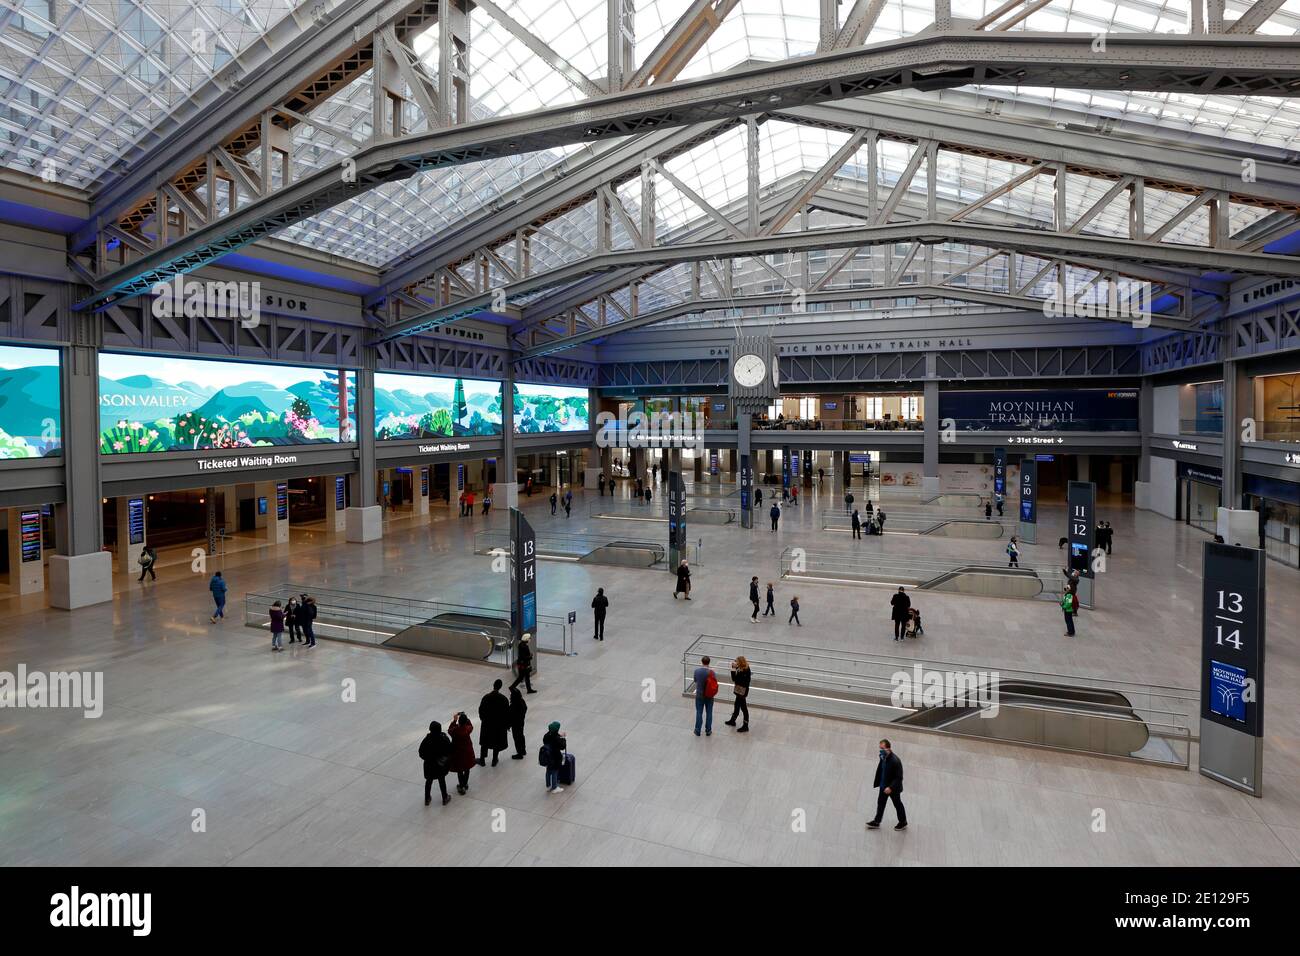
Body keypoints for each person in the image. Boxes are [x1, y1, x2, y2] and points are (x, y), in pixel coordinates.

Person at [865, 739, 907, 831]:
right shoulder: (883, 757)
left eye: (882, 748)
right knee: (880, 803)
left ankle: (903, 822)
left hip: (893, 789)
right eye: (880, 748)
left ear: (888, 749)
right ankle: (877, 822)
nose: (881, 750)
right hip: (883, 786)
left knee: (897, 804)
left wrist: (890, 787)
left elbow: (899, 777)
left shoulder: (895, 761)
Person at [477, 680, 510, 767]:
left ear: (493, 685)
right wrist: (506, 724)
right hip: (499, 725)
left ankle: (482, 759)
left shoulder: (486, 697)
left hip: (487, 724)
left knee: (484, 742)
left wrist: (483, 719)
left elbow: (481, 710)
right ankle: (494, 760)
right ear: (500, 687)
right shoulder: (503, 699)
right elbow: (507, 713)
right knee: (497, 742)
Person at [419, 720, 452, 806]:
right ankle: (445, 798)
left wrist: (428, 758)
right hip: (440, 765)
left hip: (429, 765)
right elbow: (449, 749)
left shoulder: (427, 740)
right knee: (441, 780)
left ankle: (427, 798)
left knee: (429, 781)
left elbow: (421, 752)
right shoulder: (443, 738)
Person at [448, 712, 475, 795]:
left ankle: (461, 786)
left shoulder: (455, 730)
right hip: (467, 751)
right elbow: (470, 725)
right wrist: (466, 718)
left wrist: (454, 720)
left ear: (459, 722)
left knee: (459, 770)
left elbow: (450, 729)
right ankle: (465, 783)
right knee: (467, 768)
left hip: (457, 753)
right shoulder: (468, 729)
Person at [725, 656, 751, 733]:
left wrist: (733, 668)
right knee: (736, 705)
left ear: (740, 662)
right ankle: (733, 720)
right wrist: (736, 668)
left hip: (742, 692)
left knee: (744, 708)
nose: (735, 662)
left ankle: (745, 726)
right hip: (740, 690)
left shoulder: (744, 670)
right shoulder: (742, 668)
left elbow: (734, 679)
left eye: (736, 661)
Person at [693, 655, 717, 737]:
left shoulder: (697, 671)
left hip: (699, 695)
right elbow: (714, 683)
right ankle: (708, 730)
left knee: (699, 712)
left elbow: (695, 681)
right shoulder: (712, 672)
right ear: (709, 662)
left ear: (702, 662)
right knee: (709, 713)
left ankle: (697, 730)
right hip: (709, 696)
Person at [542, 721, 567, 793]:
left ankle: (548, 785)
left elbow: (546, 740)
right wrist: (563, 738)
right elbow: (562, 746)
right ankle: (554, 787)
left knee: (548, 770)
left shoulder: (546, 735)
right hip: (555, 757)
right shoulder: (557, 738)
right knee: (554, 771)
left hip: (547, 756)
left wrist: (558, 734)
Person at [508, 687, 528, 760]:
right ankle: (523, 750)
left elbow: (510, 716)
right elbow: (525, 708)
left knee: (517, 738)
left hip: (515, 724)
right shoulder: (522, 701)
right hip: (521, 722)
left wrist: (508, 725)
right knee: (521, 736)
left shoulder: (513, 705)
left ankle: (519, 753)